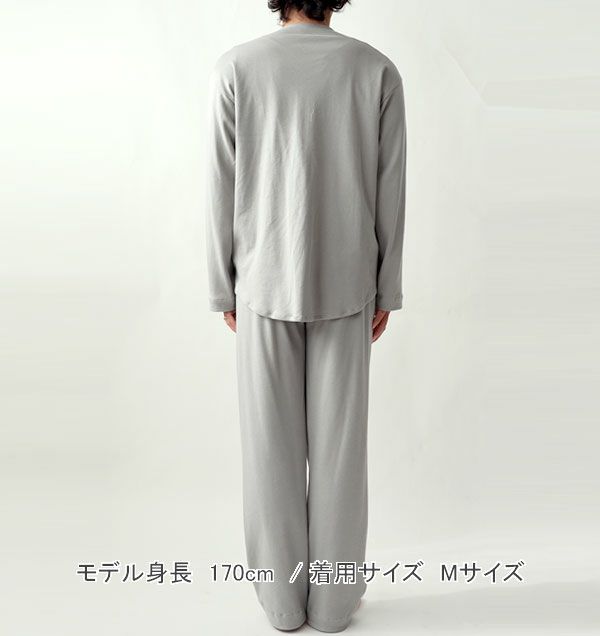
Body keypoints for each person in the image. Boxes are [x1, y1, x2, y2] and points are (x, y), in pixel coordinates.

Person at [205, 0, 407, 631]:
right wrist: (387, 287)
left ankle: (282, 604)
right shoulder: (375, 70)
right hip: (348, 283)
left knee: (270, 452)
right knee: (341, 454)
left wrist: (222, 288)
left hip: (262, 282)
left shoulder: (237, 67)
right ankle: (335, 604)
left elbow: (220, 183)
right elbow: (391, 187)